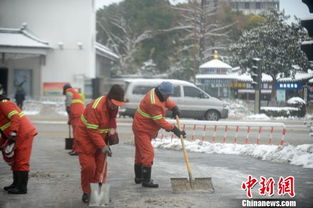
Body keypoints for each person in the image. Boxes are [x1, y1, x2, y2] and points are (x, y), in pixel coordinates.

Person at [75, 84, 125, 203]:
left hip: (101, 139)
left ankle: (97, 192)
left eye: (118, 105)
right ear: (109, 98)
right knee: (89, 167)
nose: (115, 107)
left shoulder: (114, 106)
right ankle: (87, 192)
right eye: (114, 103)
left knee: (101, 167)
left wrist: (112, 134)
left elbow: (112, 121)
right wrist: (103, 146)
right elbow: (92, 131)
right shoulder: (95, 107)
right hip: (86, 139)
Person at [132, 81, 186, 188]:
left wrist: (174, 107)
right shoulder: (153, 102)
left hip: (144, 127)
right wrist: (175, 129)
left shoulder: (157, 93)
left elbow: (166, 101)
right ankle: (146, 181)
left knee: (140, 153)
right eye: (167, 94)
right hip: (142, 129)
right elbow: (160, 121)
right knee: (148, 153)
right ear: (162, 92)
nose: (168, 96)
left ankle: (139, 177)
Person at [0, 84, 37, 194]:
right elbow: (3, 128)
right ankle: (16, 184)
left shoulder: (3, 104)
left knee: (21, 160)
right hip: (16, 134)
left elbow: (15, 117)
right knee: (16, 160)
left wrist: (13, 133)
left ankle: (21, 188)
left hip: (23, 133)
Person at [63, 83, 85, 156]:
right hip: (79, 114)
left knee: (77, 133)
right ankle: (75, 148)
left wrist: (67, 108)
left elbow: (68, 106)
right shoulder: (76, 93)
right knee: (77, 132)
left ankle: (77, 150)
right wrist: (70, 120)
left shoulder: (69, 91)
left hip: (76, 115)